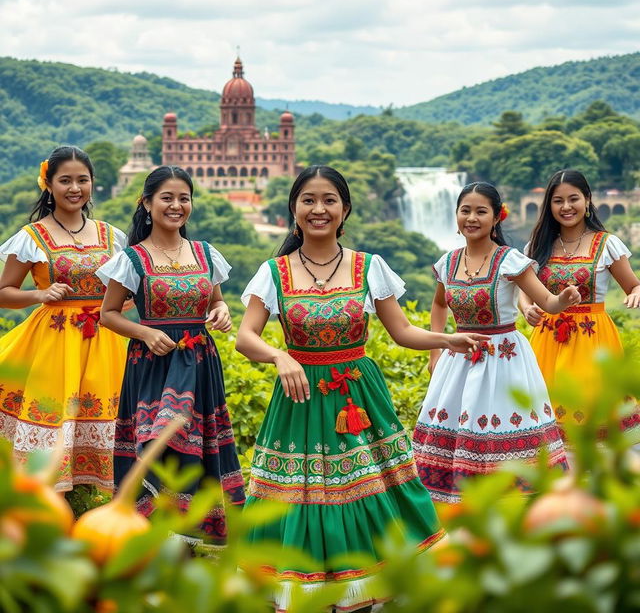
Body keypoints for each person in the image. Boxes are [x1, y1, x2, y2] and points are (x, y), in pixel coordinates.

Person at [235, 165, 489, 613]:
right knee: (305, 490)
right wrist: (280, 356)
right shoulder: (273, 272)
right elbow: (245, 336)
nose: (319, 209)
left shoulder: (369, 267)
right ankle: (308, 587)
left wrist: (446, 339)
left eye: (329, 200)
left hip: (359, 398)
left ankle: (362, 592)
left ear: (345, 209)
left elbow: (402, 331)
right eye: (309, 200)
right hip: (300, 400)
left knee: (368, 486)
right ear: (293, 209)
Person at [97, 165, 245, 544]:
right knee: (157, 442)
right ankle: (149, 540)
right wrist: (145, 332)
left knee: (197, 447)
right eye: (167, 197)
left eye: (184, 198)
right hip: (153, 367)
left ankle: (187, 546)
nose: (176, 205)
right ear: (147, 203)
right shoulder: (131, 259)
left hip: (198, 366)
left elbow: (216, 301)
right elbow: (108, 314)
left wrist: (222, 311)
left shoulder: (205, 253)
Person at [413, 182, 577, 503]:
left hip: (504, 358)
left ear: (495, 217)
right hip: (457, 360)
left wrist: (563, 299)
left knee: (501, 425)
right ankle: (459, 499)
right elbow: (439, 305)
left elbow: (545, 300)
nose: (472, 218)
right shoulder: (447, 263)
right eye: (465, 210)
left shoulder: (509, 260)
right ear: (456, 215)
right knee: (459, 425)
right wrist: (436, 350)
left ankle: (514, 499)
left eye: (480, 211)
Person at [0, 145, 127, 492]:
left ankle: (93, 514)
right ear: (49, 184)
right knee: (56, 428)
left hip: (105, 341)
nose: (75, 188)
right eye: (65, 180)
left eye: (82, 180)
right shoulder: (32, 237)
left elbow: (126, 295)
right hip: (54, 344)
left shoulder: (112, 236)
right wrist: (38, 295)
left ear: (92, 184)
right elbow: (4, 292)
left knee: (106, 427)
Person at [520, 169, 640, 429]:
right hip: (547, 339)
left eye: (573, 199)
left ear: (587, 199)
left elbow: (633, 285)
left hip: (593, 340)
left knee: (590, 419)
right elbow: (525, 292)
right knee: (545, 424)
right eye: (558, 201)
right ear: (549, 205)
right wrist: (526, 308)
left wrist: (636, 294)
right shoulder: (537, 246)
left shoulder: (607, 244)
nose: (566, 207)